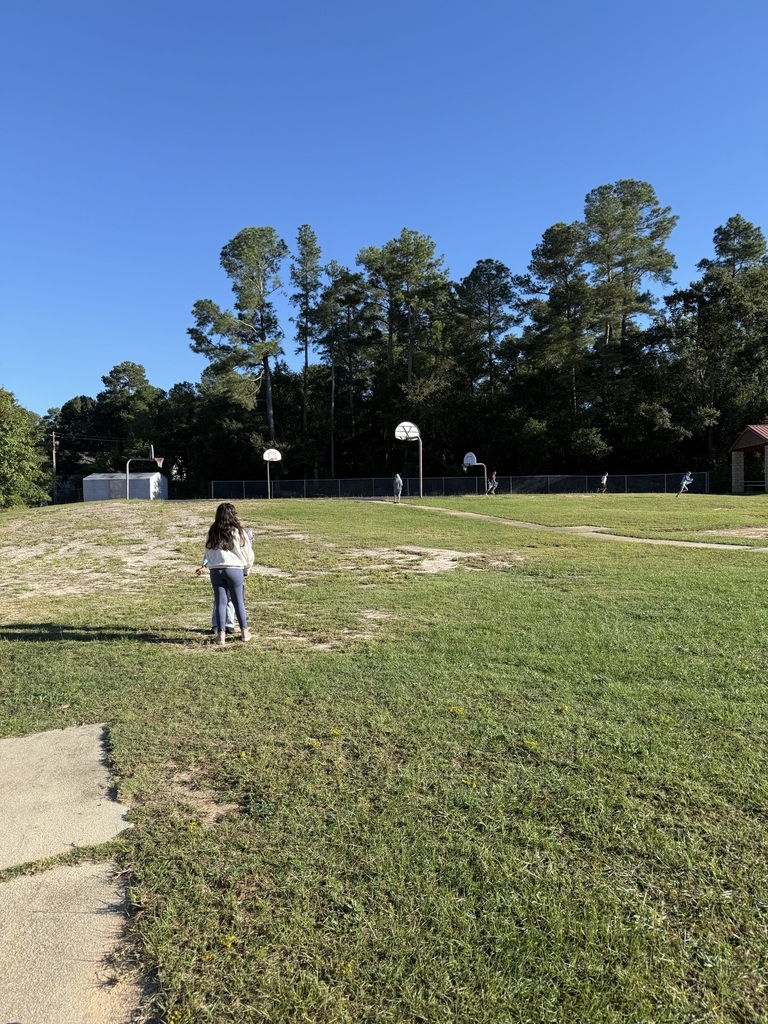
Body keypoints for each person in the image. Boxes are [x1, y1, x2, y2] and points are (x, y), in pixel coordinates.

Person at [198, 502, 254, 645]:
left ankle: (220, 636)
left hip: (216, 570)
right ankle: (244, 632)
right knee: (238, 601)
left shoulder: (211, 532)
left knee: (220, 602)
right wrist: (246, 570)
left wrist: (210, 565)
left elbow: (208, 551)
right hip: (235, 569)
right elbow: (248, 553)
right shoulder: (238, 531)